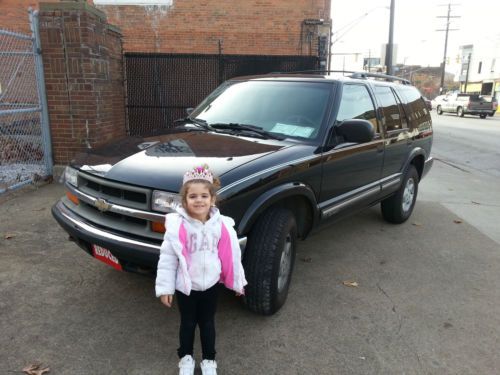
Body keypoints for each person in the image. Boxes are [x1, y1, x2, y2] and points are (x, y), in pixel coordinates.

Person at [155, 164, 247, 375]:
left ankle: (209, 360)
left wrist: (237, 281)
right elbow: (168, 259)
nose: (199, 200)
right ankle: (186, 358)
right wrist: (165, 288)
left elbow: (231, 255)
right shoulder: (178, 227)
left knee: (207, 324)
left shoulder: (221, 225)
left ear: (212, 199)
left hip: (211, 286)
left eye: (204, 196)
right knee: (187, 323)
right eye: (193, 196)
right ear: (185, 200)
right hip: (187, 287)